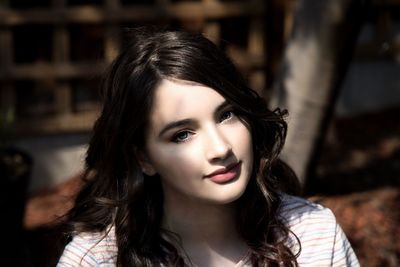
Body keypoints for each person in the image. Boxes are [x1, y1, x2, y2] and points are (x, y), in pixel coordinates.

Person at [57, 27, 359, 267]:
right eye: (182, 134)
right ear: (143, 157)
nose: (220, 148)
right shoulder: (96, 260)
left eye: (227, 115)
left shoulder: (313, 236)